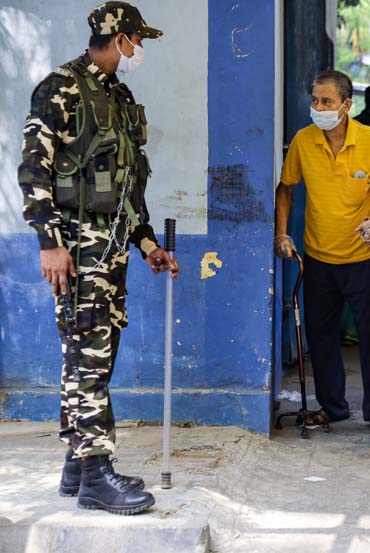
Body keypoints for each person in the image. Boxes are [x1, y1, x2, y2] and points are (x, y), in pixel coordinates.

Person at [18, 1, 179, 515]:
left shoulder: (119, 94)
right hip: (77, 248)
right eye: (138, 41)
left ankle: (76, 465)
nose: (140, 51)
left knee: (97, 355)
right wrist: (50, 242)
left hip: (111, 249)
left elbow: (128, 183)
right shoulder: (59, 88)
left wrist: (148, 243)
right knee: (86, 355)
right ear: (119, 36)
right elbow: (33, 170)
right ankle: (95, 475)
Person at [275, 70, 370, 427]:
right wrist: (281, 234)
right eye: (315, 100)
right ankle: (333, 407)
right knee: (320, 337)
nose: (318, 107)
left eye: (327, 101)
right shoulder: (303, 141)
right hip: (318, 258)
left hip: (363, 260)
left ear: (346, 105)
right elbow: (285, 188)